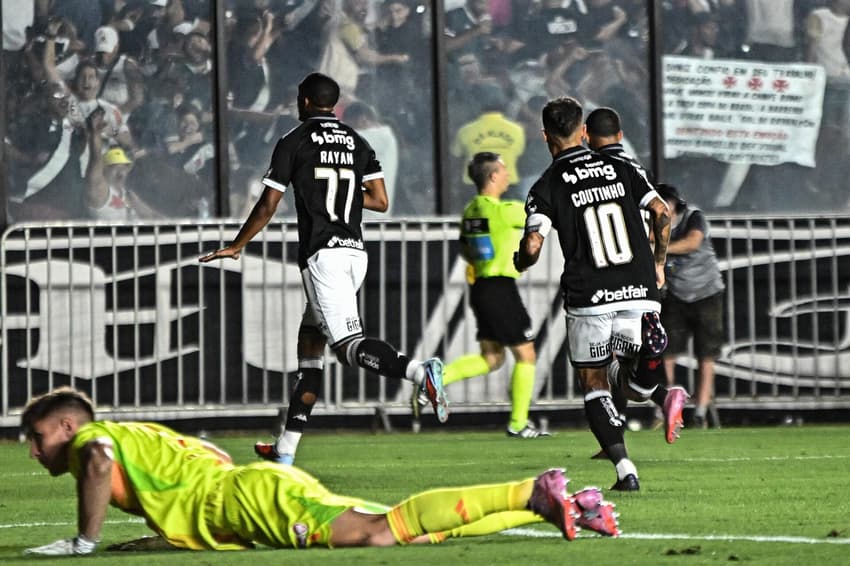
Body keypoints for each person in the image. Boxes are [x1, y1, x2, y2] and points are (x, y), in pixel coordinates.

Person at [21, 386, 620, 555]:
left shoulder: (94, 441)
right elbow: (208, 467)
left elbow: (97, 465)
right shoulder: (138, 437)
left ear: (68, 427)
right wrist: (160, 536)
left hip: (253, 502)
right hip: (254, 494)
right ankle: (551, 507)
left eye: (38, 435)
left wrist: (85, 542)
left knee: (382, 532)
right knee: (399, 530)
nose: (33, 448)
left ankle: (530, 491)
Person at [199, 72, 448, 466]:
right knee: (310, 348)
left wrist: (237, 244)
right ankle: (285, 449)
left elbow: (268, 204)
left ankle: (420, 371)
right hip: (354, 252)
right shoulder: (357, 141)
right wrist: (345, 195)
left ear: (304, 101)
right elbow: (381, 201)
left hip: (324, 256)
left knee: (348, 349)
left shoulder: (293, 142)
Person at [514, 97, 671, 491]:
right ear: (583, 132)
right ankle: (650, 368)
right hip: (639, 286)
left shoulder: (545, 185)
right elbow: (663, 214)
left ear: (545, 136)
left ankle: (625, 471)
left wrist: (520, 260)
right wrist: (658, 263)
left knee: (594, 381)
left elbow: (533, 246)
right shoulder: (623, 166)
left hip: (591, 293)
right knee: (632, 382)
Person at [413, 152, 545, 438]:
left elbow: (465, 249)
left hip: (481, 287)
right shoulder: (503, 210)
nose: (509, 174)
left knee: (492, 358)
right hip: (499, 287)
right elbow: (538, 217)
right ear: (494, 176)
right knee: (526, 354)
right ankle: (519, 424)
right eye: (505, 169)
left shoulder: (471, 210)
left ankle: (436, 377)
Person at [584, 107, 689, 446]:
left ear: (586, 135)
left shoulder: (595, 172)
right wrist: (658, 264)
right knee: (623, 363)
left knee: (601, 366)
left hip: (609, 275)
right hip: (645, 279)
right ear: (620, 133)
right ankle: (656, 386)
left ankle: (646, 405)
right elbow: (660, 214)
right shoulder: (636, 170)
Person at [656, 183, 725, 429]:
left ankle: (700, 411)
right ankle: (666, 407)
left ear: (675, 202)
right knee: (666, 351)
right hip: (676, 294)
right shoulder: (653, 224)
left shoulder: (694, 216)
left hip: (707, 292)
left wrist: (659, 250)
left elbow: (692, 243)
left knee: (706, 354)